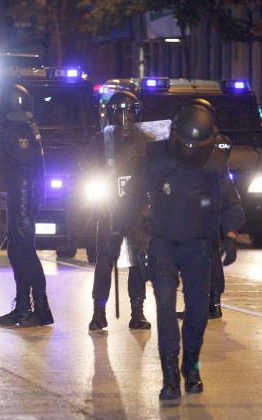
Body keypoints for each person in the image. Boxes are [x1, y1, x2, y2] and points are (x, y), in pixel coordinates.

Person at [112, 100, 244, 403]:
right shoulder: (156, 160)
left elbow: (232, 204)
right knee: (166, 310)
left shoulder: (213, 166)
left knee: (198, 314)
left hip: (199, 247)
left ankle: (191, 365)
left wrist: (232, 235)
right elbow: (131, 197)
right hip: (163, 244)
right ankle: (170, 375)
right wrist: (116, 232)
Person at [85, 90, 151, 332]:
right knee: (105, 260)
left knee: (137, 261)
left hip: (135, 209)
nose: (126, 118)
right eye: (122, 112)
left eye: (130, 112)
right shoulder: (101, 141)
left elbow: (153, 171)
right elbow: (88, 169)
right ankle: (98, 311)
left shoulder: (145, 141)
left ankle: (137, 311)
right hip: (110, 209)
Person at [0, 84, 53, 327]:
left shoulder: (19, 130)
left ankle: (39, 308)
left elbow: (24, 175)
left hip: (22, 200)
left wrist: (20, 214)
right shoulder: (24, 127)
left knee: (25, 254)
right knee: (18, 252)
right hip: (20, 200)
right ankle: (22, 307)